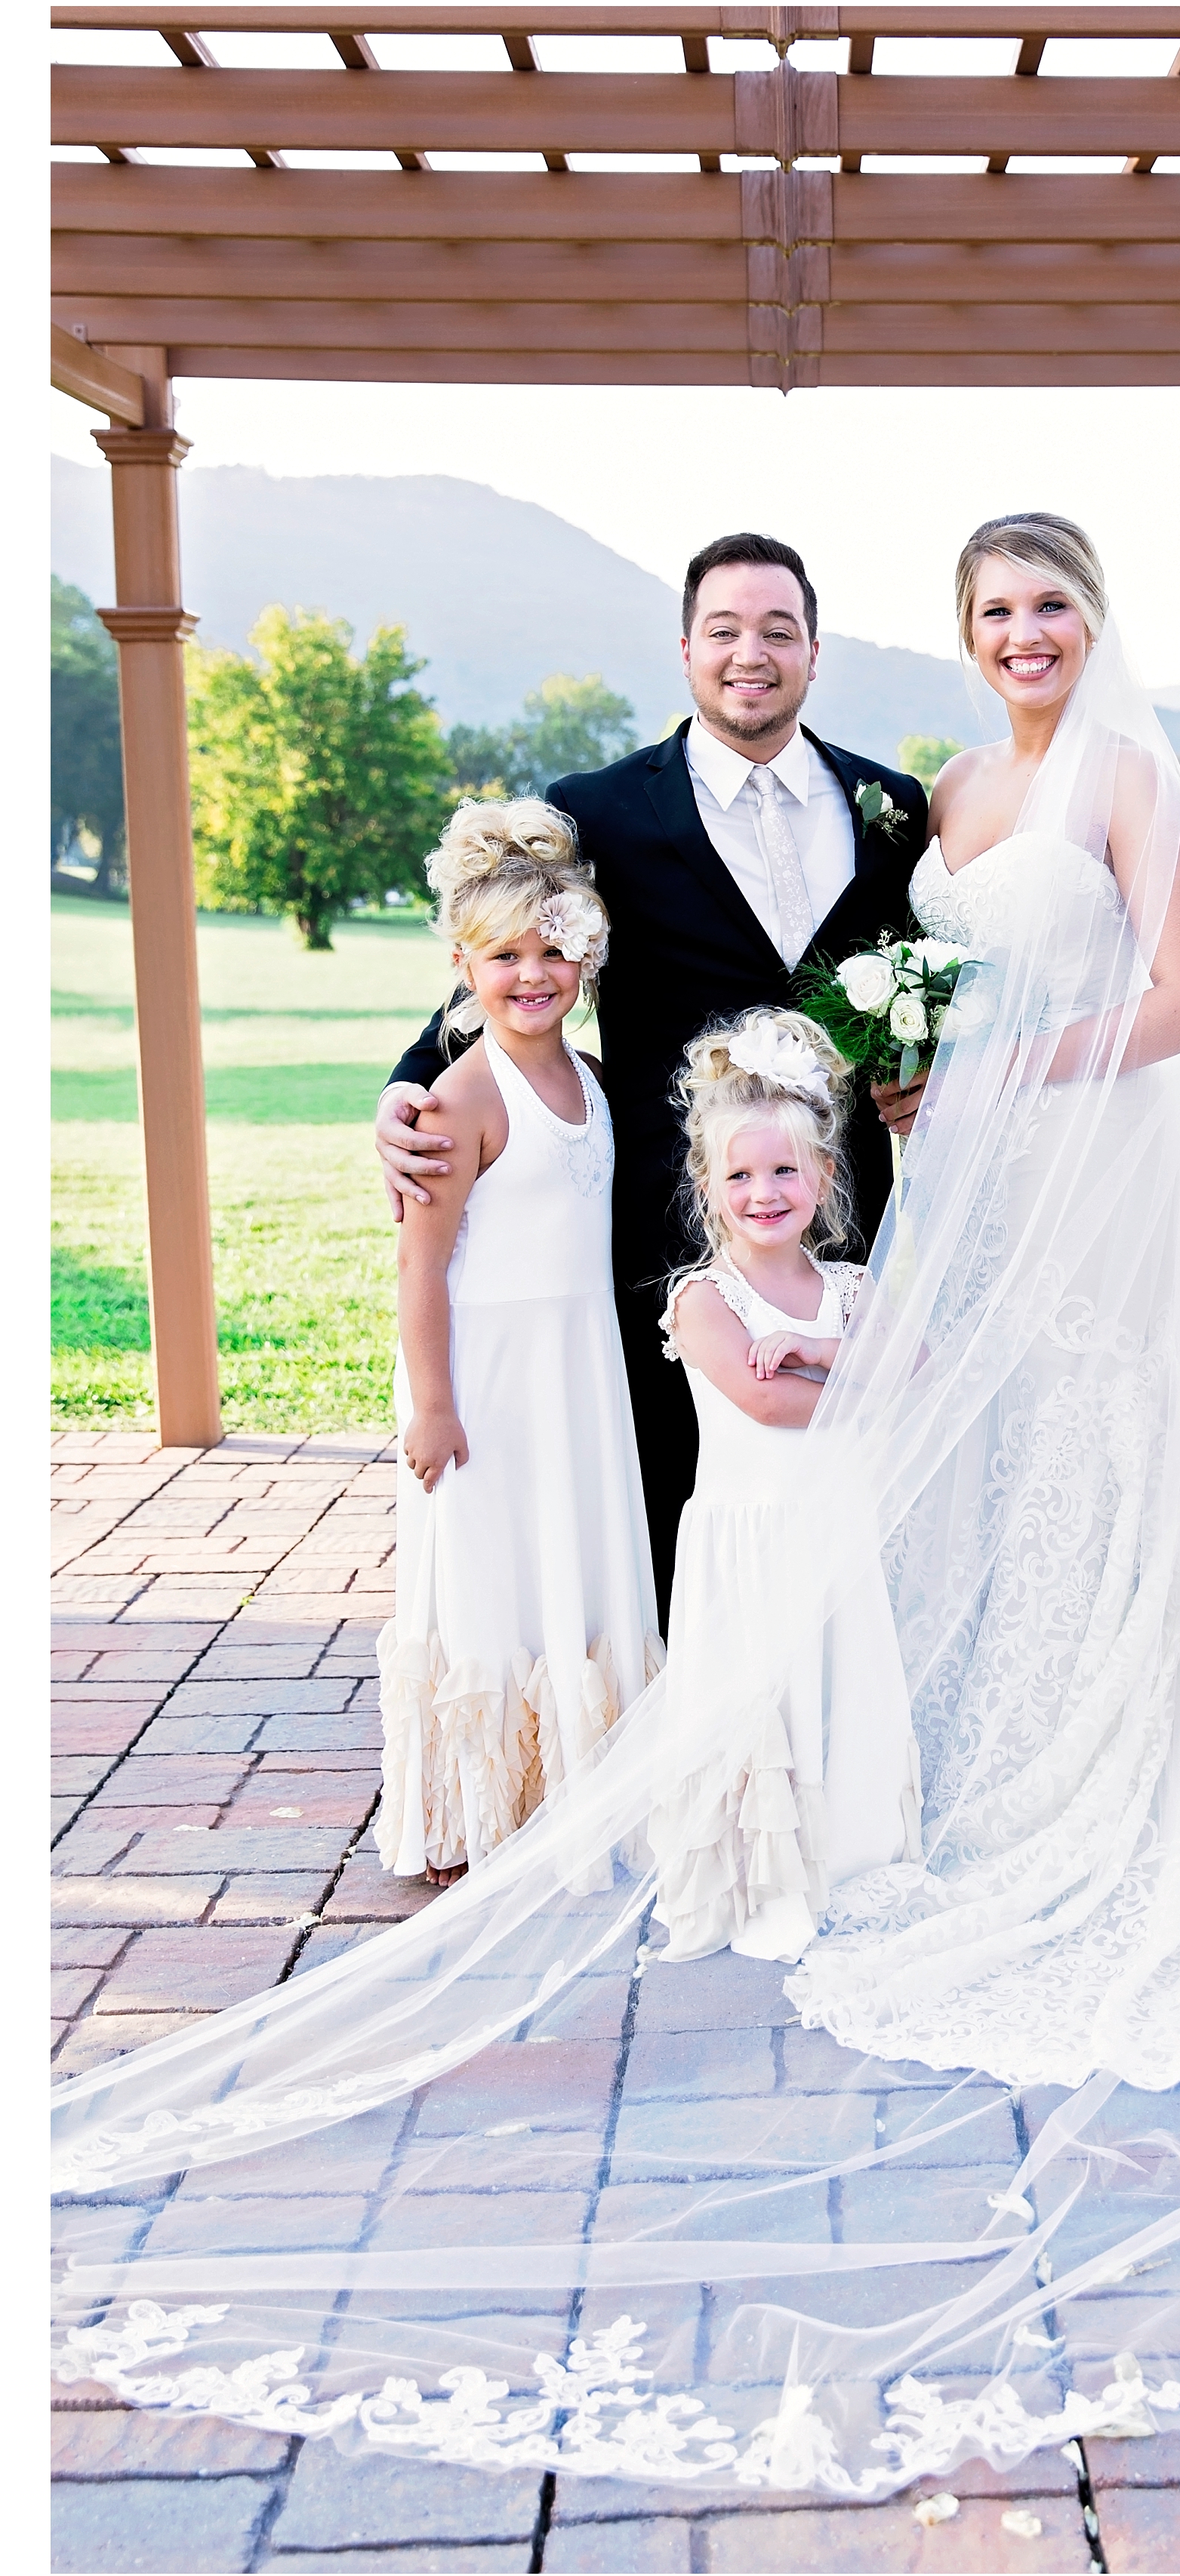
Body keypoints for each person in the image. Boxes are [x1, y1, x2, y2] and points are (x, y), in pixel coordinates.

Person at [54, 518, 1180, 2498]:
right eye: (990, 611)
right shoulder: (886, 797)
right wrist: (415, 1081)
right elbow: (517, 963)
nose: (1019, 633)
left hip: (1084, 1177)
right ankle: (905, 1766)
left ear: (1069, 619)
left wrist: (1001, 1072)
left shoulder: (1026, 789)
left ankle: (1111, 1770)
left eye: (1048, 603)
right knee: (918, 1487)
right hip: (854, 1201)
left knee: (1101, 1465)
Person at [372, 534, 928, 1621]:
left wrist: (923, 1077)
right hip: (667, 1216)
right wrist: (409, 1080)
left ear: (816, 651)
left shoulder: (892, 805)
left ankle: (840, 1713)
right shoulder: (603, 808)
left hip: (838, 1201)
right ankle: (698, 1740)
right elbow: (512, 950)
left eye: (778, 631)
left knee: (842, 1476)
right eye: (724, 630)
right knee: (677, 1489)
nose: (750, 654)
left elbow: (918, 979)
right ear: (686, 650)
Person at [376, 799, 659, 1887]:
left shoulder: (586, 1080)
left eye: (554, 952)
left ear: (586, 958)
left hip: (575, 1368)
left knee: (572, 1561)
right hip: (487, 1380)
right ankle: (481, 1806)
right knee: (495, 1577)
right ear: (462, 964)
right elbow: (422, 1264)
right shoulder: (462, 1097)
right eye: (503, 958)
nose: (531, 976)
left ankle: (580, 1787)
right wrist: (434, 1405)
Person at [648, 1010, 920, 1965]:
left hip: (834, 1540)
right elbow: (768, 1411)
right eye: (740, 1175)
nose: (764, 1192)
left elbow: (913, 1365)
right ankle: (765, 1876)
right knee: (766, 1703)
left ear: (825, 1179)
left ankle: (854, 1855)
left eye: (785, 1172)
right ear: (709, 1189)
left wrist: (813, 1347)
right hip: (750, 1546)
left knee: (842, 1695)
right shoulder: (703, 1296)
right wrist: (861, 1381)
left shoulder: (848, 1290)